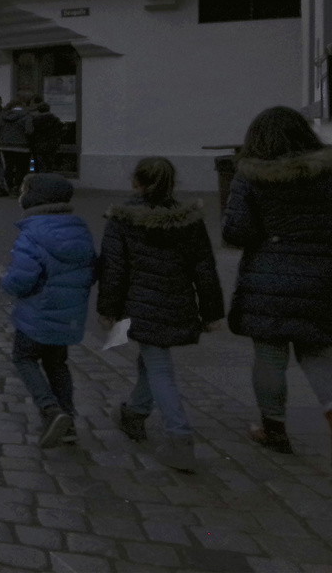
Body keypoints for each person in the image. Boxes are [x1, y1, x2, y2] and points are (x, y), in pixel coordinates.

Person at [223, 106, 332, 473]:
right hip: (323, 271)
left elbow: (236, 232)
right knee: (318, 352)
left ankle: (273, 430)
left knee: (271, 354)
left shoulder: (250, 176)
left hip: (268, 272)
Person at [96, 157, 225, 471]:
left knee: (159, 366)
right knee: (151, 358)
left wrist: (108, 309)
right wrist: (211, 312)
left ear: (135, 183)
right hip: (177, 303)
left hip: (139, 304)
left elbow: (113, 269)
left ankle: (179, 436)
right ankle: (135, 413)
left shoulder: (123, 218)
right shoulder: (188, 219)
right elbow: (204, 269)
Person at [0, 173, 95, 449]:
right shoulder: (79, 229)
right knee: (57, 364)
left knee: (24, 358)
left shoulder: (33, 233)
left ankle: (50, 410)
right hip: (68, 316)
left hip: (36, 315)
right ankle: (68, 423)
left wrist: (7, 284)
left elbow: (22, 278)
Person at [0, 98, 35, 194]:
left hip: (5, 146)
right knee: (21, 167)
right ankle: (17, 186)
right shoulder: (27, 116)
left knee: (9, 167)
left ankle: (9, 187)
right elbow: (29, 131)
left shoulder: (4, 115)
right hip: (22, 146)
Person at [29, 101, 63, 176]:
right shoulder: (55, 120)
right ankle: (49, 181)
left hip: (39, 146)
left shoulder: (35, 120)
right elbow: (59, 132)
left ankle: (41, 181)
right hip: (52, 145)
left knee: (40, 166)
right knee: (49, 165)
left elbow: (31, 133)